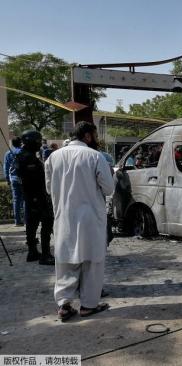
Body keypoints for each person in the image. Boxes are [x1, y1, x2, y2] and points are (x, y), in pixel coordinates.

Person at [45, 121, 115, 321]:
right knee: (92, 261)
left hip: (64, 217)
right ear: (87, 136)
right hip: (91, 217)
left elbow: (49, 189)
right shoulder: (95, 156)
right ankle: (88, 306)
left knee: (65, 261)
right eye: (94, 134)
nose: (96, 139)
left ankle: (64, 305)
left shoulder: (53, 157)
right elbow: (109, 189)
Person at [16, 130, 55, 265]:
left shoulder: (24, 155)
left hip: (30, 196)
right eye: (38, 141)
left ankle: (32, 252)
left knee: (31, 224)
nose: (40, 144)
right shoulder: (29, 157)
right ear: (32, 142)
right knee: (47, 221)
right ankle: (45, 254)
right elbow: (34, 180)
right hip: (36, 196)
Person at [3, 137, 25, 226]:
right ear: (21, 143)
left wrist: (7, 179)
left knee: (16, 200)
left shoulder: (8, 153)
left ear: (12, 143)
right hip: (24, 179)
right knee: (25, 199)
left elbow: (6, 167)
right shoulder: (23, 152)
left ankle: (17, 221)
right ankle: (27, 220)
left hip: (14, 179)